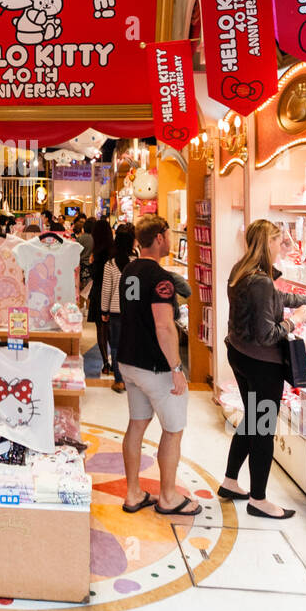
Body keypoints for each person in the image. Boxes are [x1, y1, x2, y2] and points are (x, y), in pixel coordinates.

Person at [221, 219, 306, 519]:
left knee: (252, 419)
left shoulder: (241, 271)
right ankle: (259, 499)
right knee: (262, 428)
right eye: (279, 241)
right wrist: (297, 320)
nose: (283, 247)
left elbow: (278, 299)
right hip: (262, 364)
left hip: (239, 354)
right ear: (267, 244)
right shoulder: (261, 281)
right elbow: (268, 334)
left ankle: (230, 481)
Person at [117, 215, 199, 518]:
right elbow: (164, 326)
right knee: (173, 430)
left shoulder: (130, 272)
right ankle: (168, 496)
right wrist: (177, 369)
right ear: (161, 237)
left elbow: (132, 313)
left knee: (136, 425)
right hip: (155, 367)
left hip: (129, 361)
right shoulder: (161, 279)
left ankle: (133, 492)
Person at [100, 223, 136, 393]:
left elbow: (106, 289)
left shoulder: (111, 264)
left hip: (115, 310)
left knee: (115, 346)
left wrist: (104, 310)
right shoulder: (137, 262)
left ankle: (119, 380)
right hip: (133, 311)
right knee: (132, 344)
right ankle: (132, 380)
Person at [87, 216, 115, 375]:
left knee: (101, 329)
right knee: (110, 329)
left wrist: (91, 264)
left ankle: (106, 362)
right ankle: (114, 360)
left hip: (98, 293)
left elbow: (96, 276)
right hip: (112, 294)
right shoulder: (113, 251)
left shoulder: (97, 253)